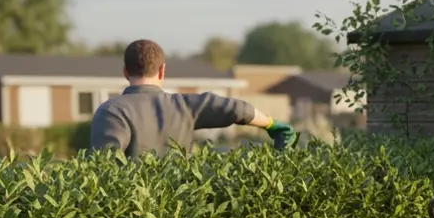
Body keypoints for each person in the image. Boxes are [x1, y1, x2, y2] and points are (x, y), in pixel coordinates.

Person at [88, 39, 295, 156]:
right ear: (162, 71)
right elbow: (238, 110)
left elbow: (103, 164)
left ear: (125, 72)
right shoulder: (185, 107)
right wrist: (272, 125)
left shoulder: (112, 112)